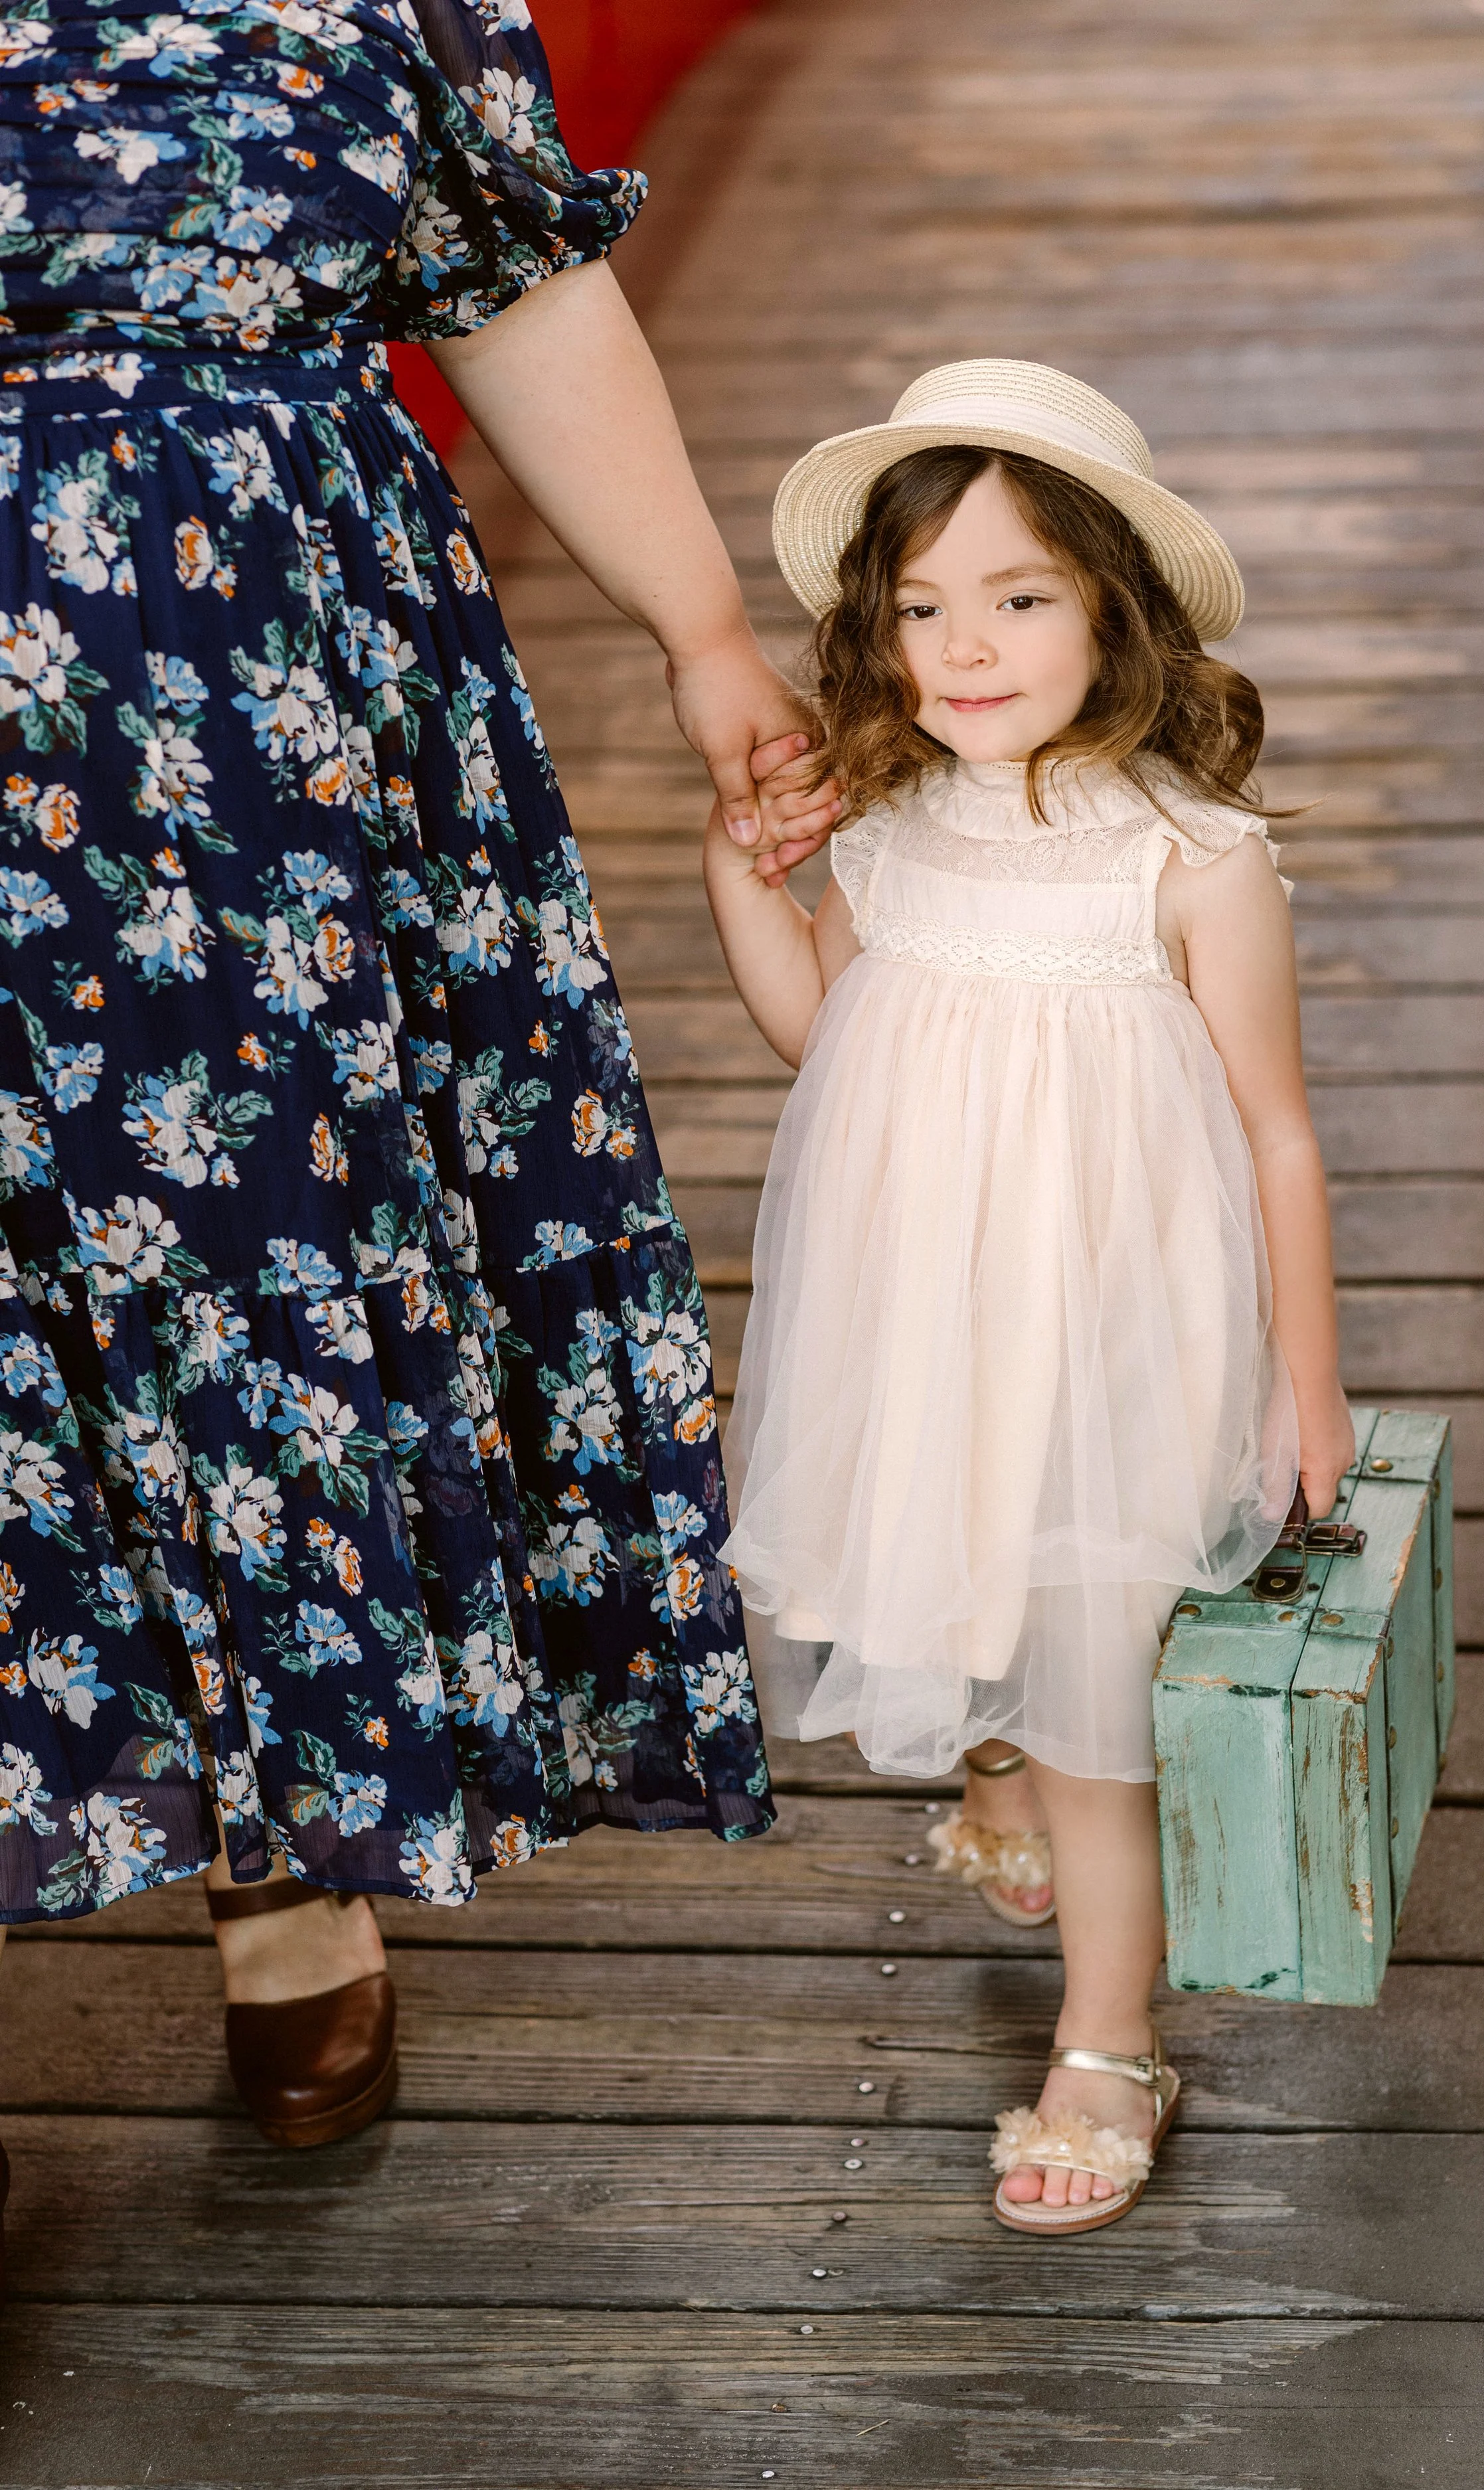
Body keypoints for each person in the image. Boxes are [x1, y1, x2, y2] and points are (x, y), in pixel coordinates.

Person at [0, 0, 837, 2254]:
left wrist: (695, 631)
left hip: (256, 742)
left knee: (252, 1287)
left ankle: (287, 1839)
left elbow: (507, 268)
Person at [704, 360, 1354, 2238]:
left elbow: (1278, 1135)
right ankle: (984, 1771)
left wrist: (1303, 1380)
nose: (961, 645)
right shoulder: (897, 836)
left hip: (1111, 1325)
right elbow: (818, 1030)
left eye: (1016, 597)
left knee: (1086, 1679)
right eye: (919, 607)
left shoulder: (1190, 861)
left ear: (1111, 613)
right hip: (920, 1310)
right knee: (945, 1558)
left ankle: (1103, 2035)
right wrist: (744, 875)